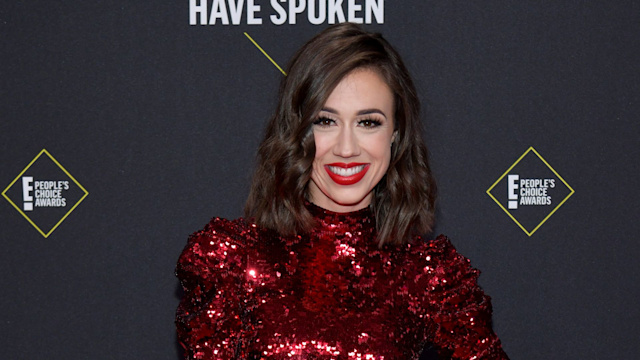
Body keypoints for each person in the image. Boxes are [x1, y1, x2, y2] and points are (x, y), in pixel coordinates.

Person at [175, 23, 509, 359]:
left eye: (368, 122)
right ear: (298, 130)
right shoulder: (234, 263)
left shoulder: (429, 277)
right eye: (325, 120)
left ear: (396, 133)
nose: (346, 149)